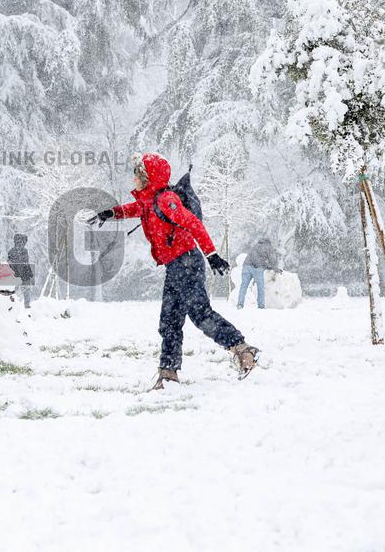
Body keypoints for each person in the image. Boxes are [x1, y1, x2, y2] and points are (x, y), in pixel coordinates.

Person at [87, 153, 260, 389]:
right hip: (175, 267)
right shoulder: (150, 201)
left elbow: (192, 223)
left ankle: (243, 350)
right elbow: (134, 209)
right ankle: (168, 374)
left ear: (148, 177)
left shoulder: (165, 200)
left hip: (187, 263)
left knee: (200, 315)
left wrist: (212, 255)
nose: (134, 178)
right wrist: (109, 213)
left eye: (138, 174)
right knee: (169, 321)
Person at [238, 237, 281, 309]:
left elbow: (258, 258)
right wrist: (275, 268)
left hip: (246, 266)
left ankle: (240, 304)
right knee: (260, 287)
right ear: (269, 242)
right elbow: (271, 259)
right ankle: (261, 305)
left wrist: (267, 266)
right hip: (257, 268)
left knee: (243, 287)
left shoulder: (256, 246)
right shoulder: (268, 246)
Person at [6, 233, 34, 309]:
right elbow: (25, 263)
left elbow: (9, 263)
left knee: (15, 291)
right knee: (24, 290)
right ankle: (24, 305)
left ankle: (12, 305)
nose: (22, 244)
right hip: (21, 274)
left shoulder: (12, 251)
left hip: (18, 274)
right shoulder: (22, 251)